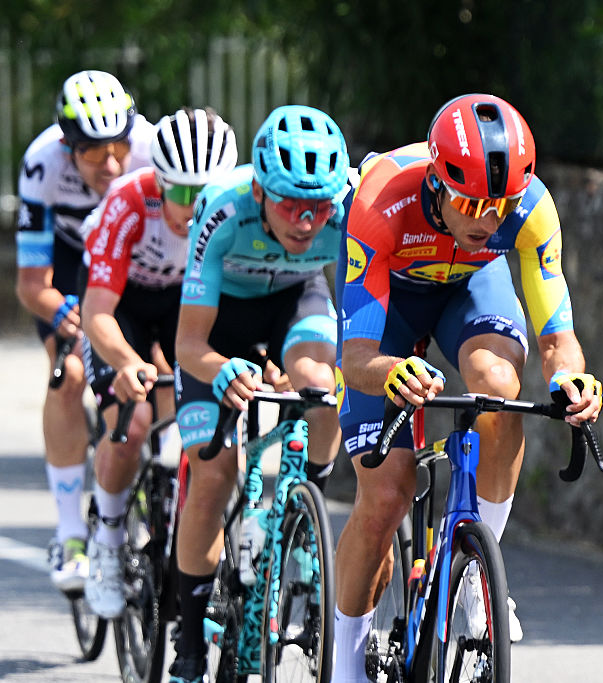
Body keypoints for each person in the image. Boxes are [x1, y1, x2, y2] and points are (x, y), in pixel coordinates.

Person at [331, 93, 603, 682]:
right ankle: (344, 663)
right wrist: (391, 371)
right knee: (386, 496)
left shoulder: (532, 209)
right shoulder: (381, 199)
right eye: (472, 203)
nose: (488, 221)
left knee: (499, 388)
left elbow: (558, 340)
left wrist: (571, 380)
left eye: (501, 207)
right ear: (436, 181)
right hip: (390, 304)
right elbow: (356, 358)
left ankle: (477, 573)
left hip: (470, 287)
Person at [168, 104, 353, 683]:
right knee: (213, 474)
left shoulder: (348, 209)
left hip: (296, 300)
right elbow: (188, 343)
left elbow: (362, 321)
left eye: (318, 208)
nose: (306, 221)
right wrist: (221, 369)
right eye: (290, 205)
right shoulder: (223, 208)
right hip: (219, 321)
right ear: (258, 191)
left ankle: (307, 509)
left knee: (322, 387)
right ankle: (189, 640)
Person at [79, 107, 238, 618]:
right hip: (120, 304)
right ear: (160, 181)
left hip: (180, 305)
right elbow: (96, 312)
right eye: (182, 193)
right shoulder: (128, 201)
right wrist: (127, 363)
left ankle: (175, 515)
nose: (193, 208)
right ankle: (107, 540)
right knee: (133, 423)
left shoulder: (233, 210)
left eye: (205, 193)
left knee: (185, 423)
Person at [15, 69, 154, 593]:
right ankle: (71, 532)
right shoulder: (42, 165)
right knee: (69, 374)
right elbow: (32, 284)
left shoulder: (153, 149)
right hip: (72, 265)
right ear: (67, 146)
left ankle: (156, 484)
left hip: (134, 260)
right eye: (94, 152)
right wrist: (67, 317)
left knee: (160, 371)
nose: (111, 164)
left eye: (118, 147)